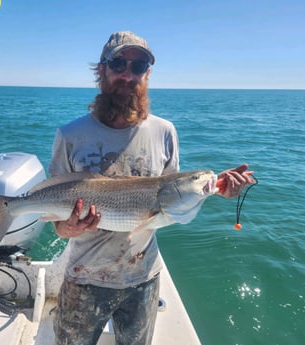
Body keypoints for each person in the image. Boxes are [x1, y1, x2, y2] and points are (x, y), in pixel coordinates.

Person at [49, 31, 254, 345]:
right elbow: (58, 226)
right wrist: (68, 227)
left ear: (148, 73)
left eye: (139, 65)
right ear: (101, 69)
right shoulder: (70, 134)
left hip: (143, 278)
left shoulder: (165, 132)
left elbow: (171, 201)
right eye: (118, 63)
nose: (128, 75)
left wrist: (216, 188)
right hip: (84, 277)